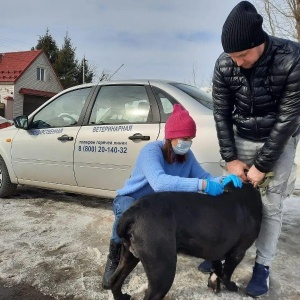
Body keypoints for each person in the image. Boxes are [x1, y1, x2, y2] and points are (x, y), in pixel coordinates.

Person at [198, 1, 300, 297]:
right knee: (231, 199)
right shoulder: (225, 63)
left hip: (279, 140)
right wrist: (231, 158)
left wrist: (261, 166)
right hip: (241, 138)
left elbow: (287, 119)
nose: (238, 62)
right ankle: (220, 250)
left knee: (270, 207)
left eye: (243, 55)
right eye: (233, 56)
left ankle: (262, 267)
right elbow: (221, 114)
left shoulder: (291, 57)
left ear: (260, 40)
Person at [102, 104, 242, 289]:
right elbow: (159, 182)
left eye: (191, 139)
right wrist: (203, 186)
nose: (188, 143)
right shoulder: (151, 151)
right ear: (171, 136)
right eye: (184, 138)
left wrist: (224, 180)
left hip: (157, 208)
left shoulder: (186, 155)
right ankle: (114, 257)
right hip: (133, 200)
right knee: (128, 212)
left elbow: (204, 177)